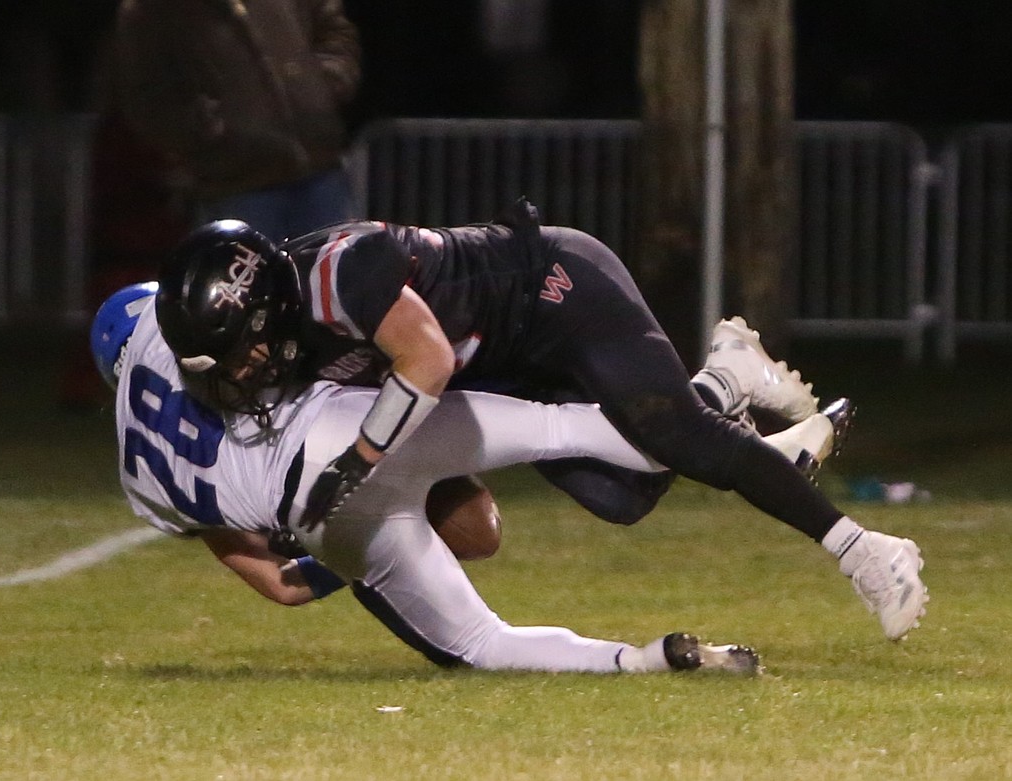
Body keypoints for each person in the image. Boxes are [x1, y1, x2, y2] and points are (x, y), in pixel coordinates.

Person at [152, 202, 929, 642]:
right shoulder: (289, 338)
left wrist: (348, 469)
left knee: (680, 441)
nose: (243, 372)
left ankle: (868, 551)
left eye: (241, 351)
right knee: (622, 496)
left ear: (264, 308)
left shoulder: (336, 274)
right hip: (507, 364)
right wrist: (335, 527)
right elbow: (477, 527)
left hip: (556, 294)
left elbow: (424, 362)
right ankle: (725, 381)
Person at [90, 282, 806, 673]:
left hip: (327, 520)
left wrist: (362, 546)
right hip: (354, 433)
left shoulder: (139, 482)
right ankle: (722, 391)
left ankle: (646, 662)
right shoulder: (173, 326)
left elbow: (283, 585)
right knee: (566, 428)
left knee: (482, 645)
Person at [112, 0, 362, 239]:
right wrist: (208, 128)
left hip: (321, 170)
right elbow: (146, 99)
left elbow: (333, 28)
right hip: (235, 186)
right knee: (249, 282)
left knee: (334, 280)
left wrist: (322, 87)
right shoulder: (152, 9)